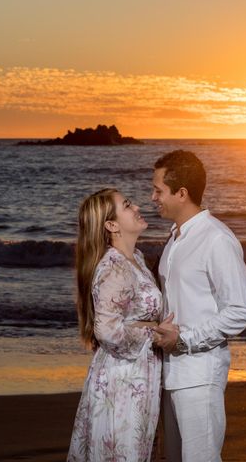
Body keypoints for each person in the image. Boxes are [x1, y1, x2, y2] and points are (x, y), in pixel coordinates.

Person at [151, 150, 246, 462]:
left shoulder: (216, 239)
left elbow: (241, 309)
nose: (153, 197)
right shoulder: (176, 238)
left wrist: (184, 339)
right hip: (171, 373)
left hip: (200, 373)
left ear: (181, 193)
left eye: (158, 190)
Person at [67, 188, 167, 462]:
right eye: (126, 205)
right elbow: (107, 330)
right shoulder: (113, 266)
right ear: (111, 225)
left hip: (137, 374)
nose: (136, 207)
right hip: (122, 378)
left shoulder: (137, 260)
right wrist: (154, 334)